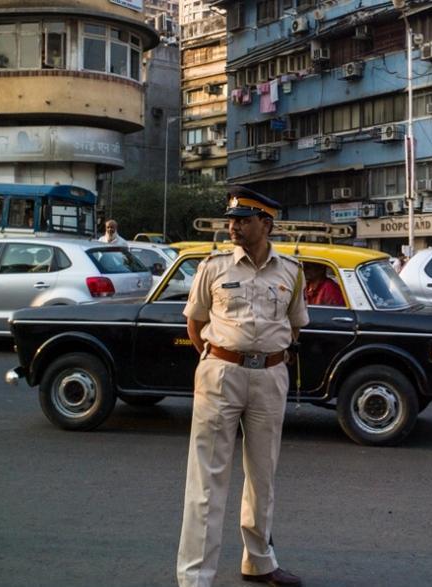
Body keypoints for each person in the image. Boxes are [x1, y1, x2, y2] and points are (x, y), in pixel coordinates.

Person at [177, 187, 309, 587]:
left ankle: (259, 561)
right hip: (221, 372)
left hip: (269, 376)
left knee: (263, 474)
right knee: (207, 479)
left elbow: (295, 323)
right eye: (231, 219)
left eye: (243, 219)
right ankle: (196, 578)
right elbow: (195, 325)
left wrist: (267, 356)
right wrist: (219, 357)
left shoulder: (291, 271)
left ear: (266, 224)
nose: (232, 226)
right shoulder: (213, 267)